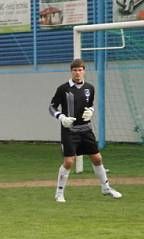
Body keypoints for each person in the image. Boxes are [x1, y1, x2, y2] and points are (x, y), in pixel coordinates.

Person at [49, 58, 122, 203]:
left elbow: (90, 105)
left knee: (97, 158)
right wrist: (61, 117)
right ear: (71, 72)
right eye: (75, 70)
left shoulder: (90, 87)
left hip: (86, 129)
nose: (77, 73)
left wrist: (91, 111)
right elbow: (51, 107)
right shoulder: (63, 89)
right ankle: (59, 193)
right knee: (69, 162)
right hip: (69, 131)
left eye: (80, 70)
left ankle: (106, 187)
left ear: (84, 71)